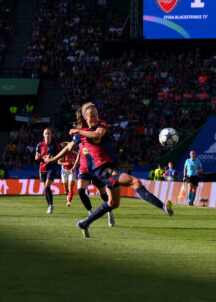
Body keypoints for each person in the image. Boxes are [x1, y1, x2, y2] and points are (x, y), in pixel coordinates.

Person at [50, 102, 173, 238]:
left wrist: (78, 130)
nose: (96, 117)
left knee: (113, 203)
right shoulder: (80, 136)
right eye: (92, 115)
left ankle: (85, 223)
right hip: (103, 169)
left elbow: (97, 136)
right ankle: (163, 207)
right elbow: (68, 148)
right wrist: (54, 159)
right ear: (85, 117)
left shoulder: (101, 125)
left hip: (111, 167)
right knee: (135, 182)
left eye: (97, 114)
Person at [35, 128, 62, 214]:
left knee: (47, 187)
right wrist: (39, 158)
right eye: (46, 133)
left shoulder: (55, 145)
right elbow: (36, 157)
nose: (47, 135)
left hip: (52, 167)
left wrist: (54, 158)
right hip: (42, 168)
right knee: (46, 189)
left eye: (49, 133)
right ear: (43, 135)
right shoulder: (40, 145)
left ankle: (50, 206)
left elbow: (61, 154)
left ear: (51, 134)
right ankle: (50, 205)